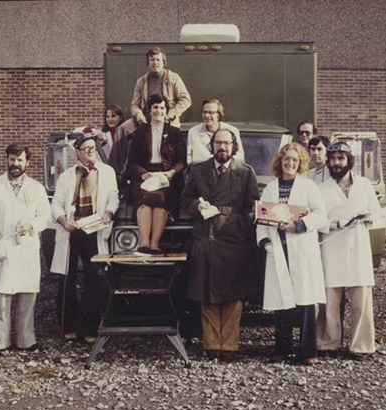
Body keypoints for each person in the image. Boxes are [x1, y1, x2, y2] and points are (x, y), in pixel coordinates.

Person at [180, 128, 259, 361]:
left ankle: (230, 344)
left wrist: (242, 224)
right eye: (218, 143)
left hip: (234, 238)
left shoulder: (245, 172)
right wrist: (197, 206)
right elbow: (184, 199)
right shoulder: (199, 169)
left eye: (227, 143)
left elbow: (253, 205)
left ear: (234, 146)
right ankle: (212, 344)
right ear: (211, 146)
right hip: (206, 236)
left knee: (234, 294)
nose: (222, 147)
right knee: (207, 293)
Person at [0, 143, 51, 356]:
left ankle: (26, 340)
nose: (15, 164)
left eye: (19, 160)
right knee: (1, 297)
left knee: (27, 295)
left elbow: (45, 216)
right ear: (7, 160)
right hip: (3, 247)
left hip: (26, 247)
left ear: (28, 162)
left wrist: (32, 225)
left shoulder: (36, 188)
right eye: (12, 159)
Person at [256, 142, 326, 365]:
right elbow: (261, 219)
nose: (290, 163)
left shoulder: (308, 187)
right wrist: (265, 242)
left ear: (300, 163)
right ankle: (282, 348)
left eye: (295, 160)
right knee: (281, 300)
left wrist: (300, 225)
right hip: (278, 248)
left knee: (305, 301)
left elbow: (321, 214)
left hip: (301, 247)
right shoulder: (270, 188)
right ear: (280, 161)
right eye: (287, 159)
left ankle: (307, 351)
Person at [50, 127, 119, 344]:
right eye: (86, 148)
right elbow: (57, 204)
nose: (90, 151)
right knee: (67, 279)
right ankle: (68, 327)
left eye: (93, 148)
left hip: (94, 230)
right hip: (71, 231)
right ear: (77, 152)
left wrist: (109, 212)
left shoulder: (107, 172)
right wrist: (63, 221)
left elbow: (113, 198)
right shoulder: (67, 176)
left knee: (94, 279)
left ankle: (88, 328)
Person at [317, 142, 380, 361]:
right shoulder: (322, 189)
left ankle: (361, 346)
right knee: (329, 300)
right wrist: (335, 223)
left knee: (361, 299)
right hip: (332, 247)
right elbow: (317, 219)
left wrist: (367, 217)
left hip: (358, 247)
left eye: (341, 159)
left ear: (349, 161)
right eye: (333, 159)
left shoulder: (364, 185)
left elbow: (377, 212)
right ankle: (327, 343)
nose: (336, 163)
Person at [109, 47, 191, 180]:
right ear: (148, 62)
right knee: (122, 129)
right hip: (146, 118)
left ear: (163, 62)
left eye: (158, 60)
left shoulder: (173, 78)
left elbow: (186, 100)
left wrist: (170, 114)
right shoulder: (141, 81)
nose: (155, 63)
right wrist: (138, 114)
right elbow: (134, 104)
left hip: (167, 118)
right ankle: (116, 173)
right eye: (152, 60)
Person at [128, 94, 186, 254]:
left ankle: (155, 244)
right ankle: (144, 242)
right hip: (145, 175)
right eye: (155, 107)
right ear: (149, 110)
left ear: (166, 110)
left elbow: (182, 161)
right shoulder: (140, 132)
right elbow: (131, 161)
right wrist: (143, 174)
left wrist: (172, 172)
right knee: (144, 197)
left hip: (168, 176)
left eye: (162, 107)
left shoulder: (174, 132)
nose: (158, 111)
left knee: (161, 198)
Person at [187, 98, 245, 165]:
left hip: (227, 171)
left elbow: (240, 157)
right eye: (205, 112)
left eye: (211, 112)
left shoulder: (232, 131)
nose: (207, 115)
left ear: (219, 115)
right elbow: (190, 159)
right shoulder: (193, 132)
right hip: (202, 172)